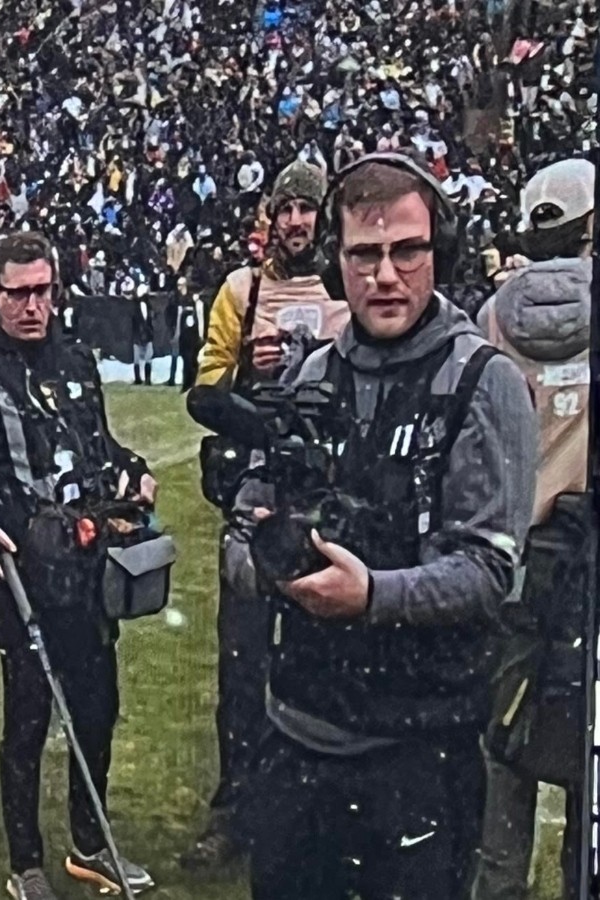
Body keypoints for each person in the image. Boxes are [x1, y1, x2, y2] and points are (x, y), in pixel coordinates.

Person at [239, 153, 537, 900]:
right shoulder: (308, 380)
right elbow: (249, 525)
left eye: (407, 250)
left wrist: (373, 594)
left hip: (418, 754)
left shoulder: (483, 382)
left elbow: (490, 569)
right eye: (364, 255)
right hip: (296, 735)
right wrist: (264, 550)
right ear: (337, 266)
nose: (386, 274)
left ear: (441, 253)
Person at [0, 232, 157, 900]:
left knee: (97, 709)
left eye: (42, 291)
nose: (32, 305)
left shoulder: (78, 361)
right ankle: (25, 862)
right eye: (18, 292)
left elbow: (100, 446)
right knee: (28, 718)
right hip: (22, 579)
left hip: (89, 571)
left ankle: (90, 846)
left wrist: (133, 473)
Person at [180, 159, 348, 870]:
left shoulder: (347, 287)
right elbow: (207, 387)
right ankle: (237, 808)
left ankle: (318, 809)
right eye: (287, 209)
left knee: (326, 660)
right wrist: (253, 376)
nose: (297, 222)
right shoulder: (242, 292)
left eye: (308, 210)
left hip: (331, 496)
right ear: (270, 216)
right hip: (256, 494)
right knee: (243, 666)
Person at [470, 158, 594, 900]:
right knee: (591, 755)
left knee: (502, 754)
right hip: (587, 556)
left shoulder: (491, 314)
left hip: (516, 553)